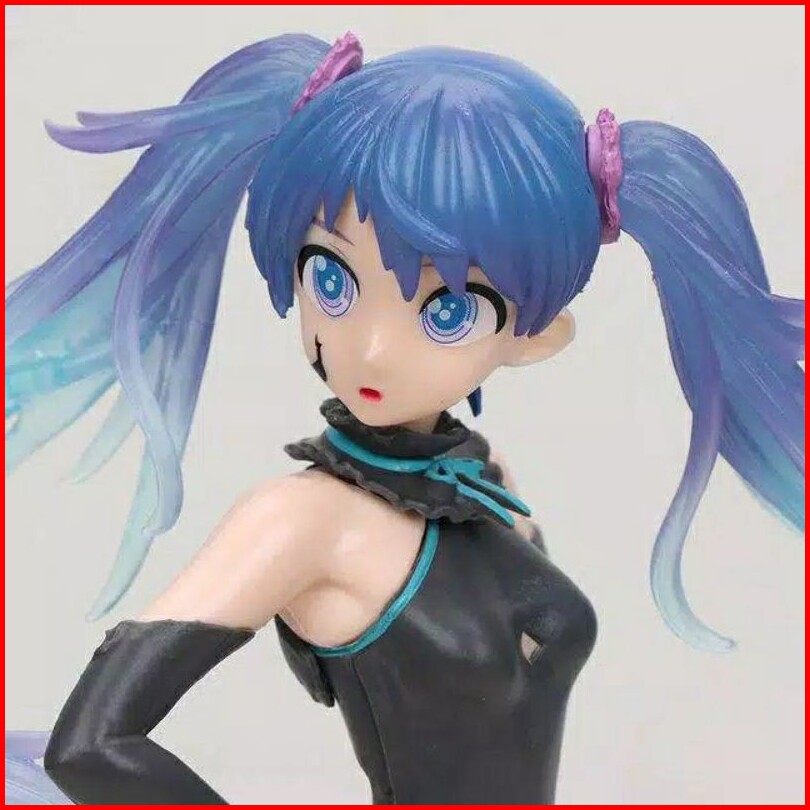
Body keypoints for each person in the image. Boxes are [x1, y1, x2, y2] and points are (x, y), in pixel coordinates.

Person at [5, 31, 804, 805]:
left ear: (534, 338)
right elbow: (93, 744)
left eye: (447, 311)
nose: (374, 351)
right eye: (333, 281)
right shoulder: (300, 521)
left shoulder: (484, 482)